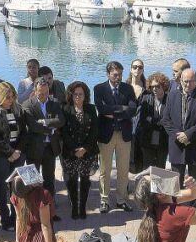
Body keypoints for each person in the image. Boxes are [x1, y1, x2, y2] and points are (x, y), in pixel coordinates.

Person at [163, 68, 196, 205]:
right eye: (185, 81)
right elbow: (166, 119)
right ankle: (173, 204)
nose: (188, 84)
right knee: (175, 178)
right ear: (180, 80)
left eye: (191, 81)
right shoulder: (172, 95)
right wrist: (178, 135)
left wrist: (188, 134)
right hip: (177, 143)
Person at [92, 61, 138, 213]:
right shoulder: (99, 88)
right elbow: (101, 108)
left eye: (120, 74)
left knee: (123, 169)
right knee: (105, 169)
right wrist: (121, 110)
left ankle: (121, 199)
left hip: (124, 134)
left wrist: (113, 112)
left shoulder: (128, 88)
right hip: (106, 134)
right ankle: (104, 199)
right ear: (108, 74)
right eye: (115, 74)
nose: (118, 77)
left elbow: (132, 110)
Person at [19, 77, 63, 216]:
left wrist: (44, 121)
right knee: (33, 182)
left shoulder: (54, 103)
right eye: (40, 93)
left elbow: (61, 120)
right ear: (35, 91)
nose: (43, 96)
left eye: (45, 93)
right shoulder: (27, 105)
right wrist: (51, 127)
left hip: (50, 148)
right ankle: (34, 210)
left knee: (49, 180)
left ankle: (50, 210)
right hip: (33, 149)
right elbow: (33, 126)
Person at [0, 82, 25, 232]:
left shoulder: (18, 110)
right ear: (0, 97)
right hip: (1, 156)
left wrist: (17, 151)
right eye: (7, 97)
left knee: (16, 189)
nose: (10, 100)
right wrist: (9, 153)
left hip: (17, 154)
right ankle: (5, 219)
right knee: (2, 188)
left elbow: (24, 134)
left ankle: (16, 218)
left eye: (12, 97)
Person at [60, 80, 99, 220]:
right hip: (70, 152)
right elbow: (63, 132)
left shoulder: (91, 109)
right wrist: (75, 149)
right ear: (71, 95)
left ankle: (82, 207)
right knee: (71, 181)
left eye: (80, 94)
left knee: (84, 180)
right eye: (75, 94)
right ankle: (74, 207)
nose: (78, 96)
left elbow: (95, 131)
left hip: (87, 152)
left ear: (85, 95)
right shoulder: (65, 109)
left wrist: (85, 148)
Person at [133, 71, 170, 172]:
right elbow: (143, 119)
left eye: (157, 86)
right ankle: (147, 187)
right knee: (147, 167)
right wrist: (158, 121)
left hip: (163, 139)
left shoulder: (169, 99)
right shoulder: (146, 99)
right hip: (147, 138)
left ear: (163, 86)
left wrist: (152, 120)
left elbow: (168, 119)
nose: (154, 89)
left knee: (160, 167)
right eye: (152, 86)